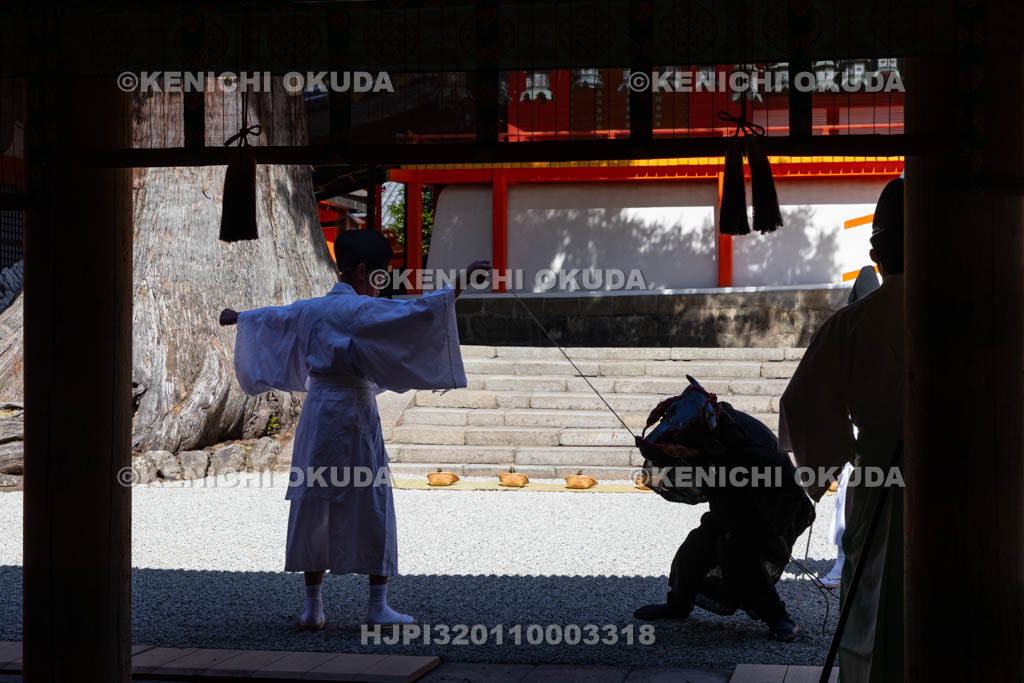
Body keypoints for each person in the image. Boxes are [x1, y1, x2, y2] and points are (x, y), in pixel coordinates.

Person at [220, 229, 488, 628]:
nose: (381, 287)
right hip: (354, 412)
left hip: (317, 413)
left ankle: (313, 606)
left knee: (314, 500)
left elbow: (273, 318)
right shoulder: (360, 311)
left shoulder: (311, 309)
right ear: (362, 271)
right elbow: (416, 315)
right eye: (380, 277)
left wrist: (240, 318)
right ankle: (377, 604)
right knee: (372, 498)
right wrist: (460, 285)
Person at [778, 177, 905, 682]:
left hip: (880, 473)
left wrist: (842, 455)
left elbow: (801, 404)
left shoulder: (853, 324)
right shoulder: (984, 316)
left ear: (877, 250)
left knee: (875, 596)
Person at [633, 376, 815, 642]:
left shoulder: (749, 447)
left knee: (737, 552)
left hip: (773, 509)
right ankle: (678, 604)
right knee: (696, 547)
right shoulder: (709, 430)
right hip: (731, 504)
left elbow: (778, 498)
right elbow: (699, 479)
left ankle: (777, 617)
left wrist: (745, 528)